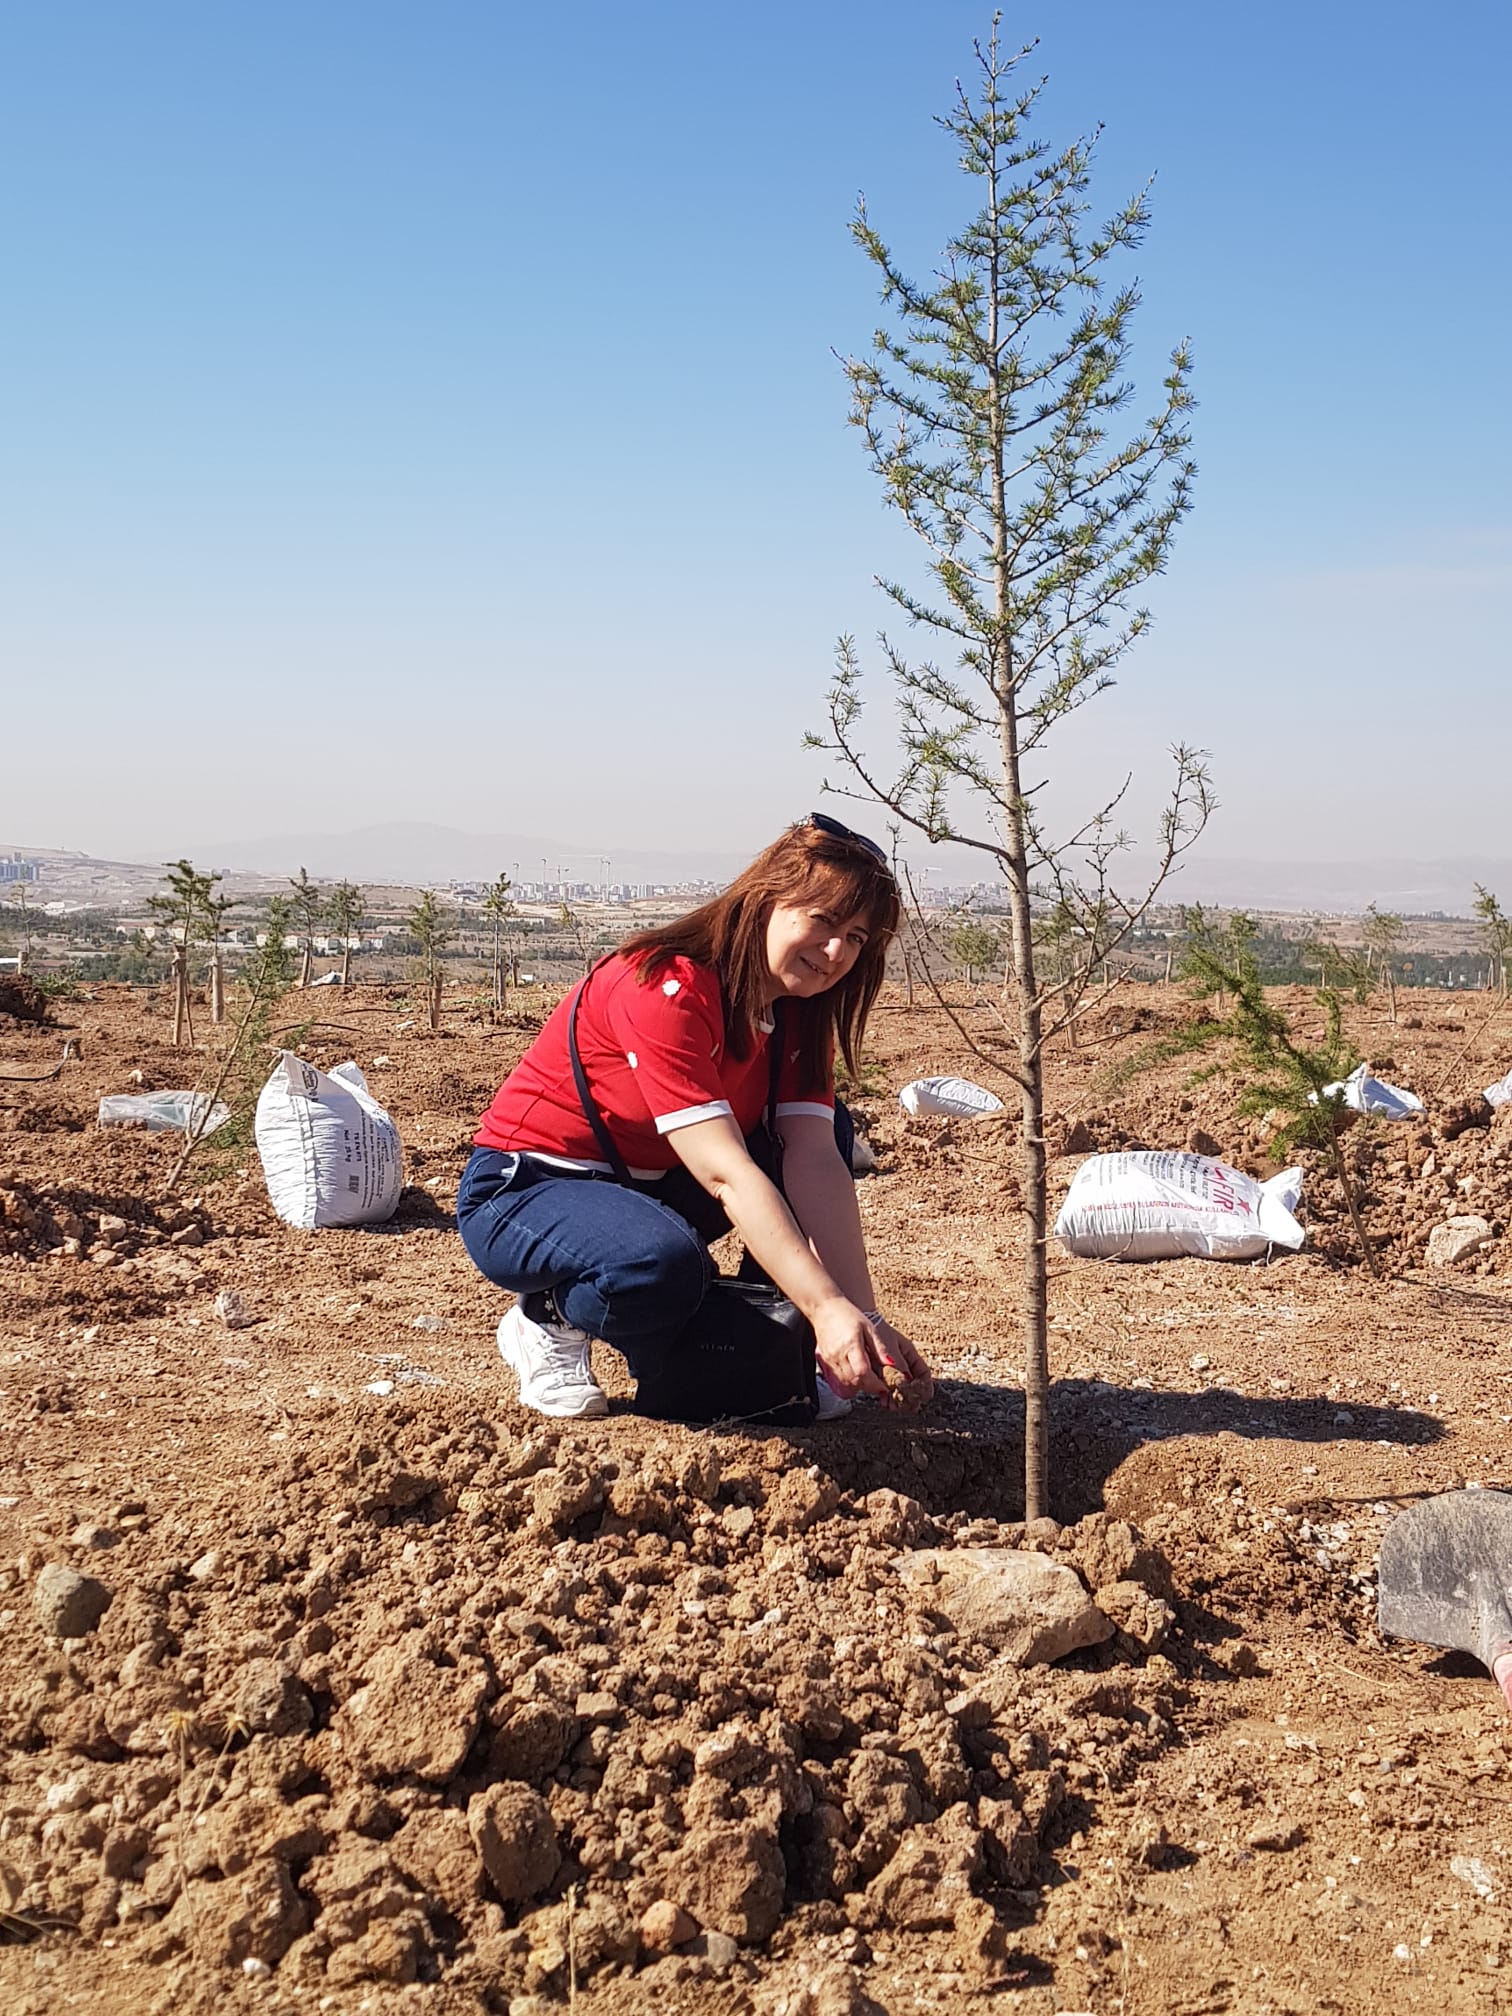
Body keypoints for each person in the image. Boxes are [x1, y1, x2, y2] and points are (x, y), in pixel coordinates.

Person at [456, 814, 934, 1421]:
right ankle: (545, 1316)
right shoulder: (666, 986)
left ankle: (777, 1348)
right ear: (765, 900)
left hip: (650, 1187)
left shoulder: (798, 1012)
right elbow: (725, 1174)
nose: (837, 951)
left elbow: (812, 1157)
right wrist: (823, 1306)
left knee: (827, 1130)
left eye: (859, 938)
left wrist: (862, 1318)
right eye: (823, 920)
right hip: (528, 1186)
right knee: (662, 1266)